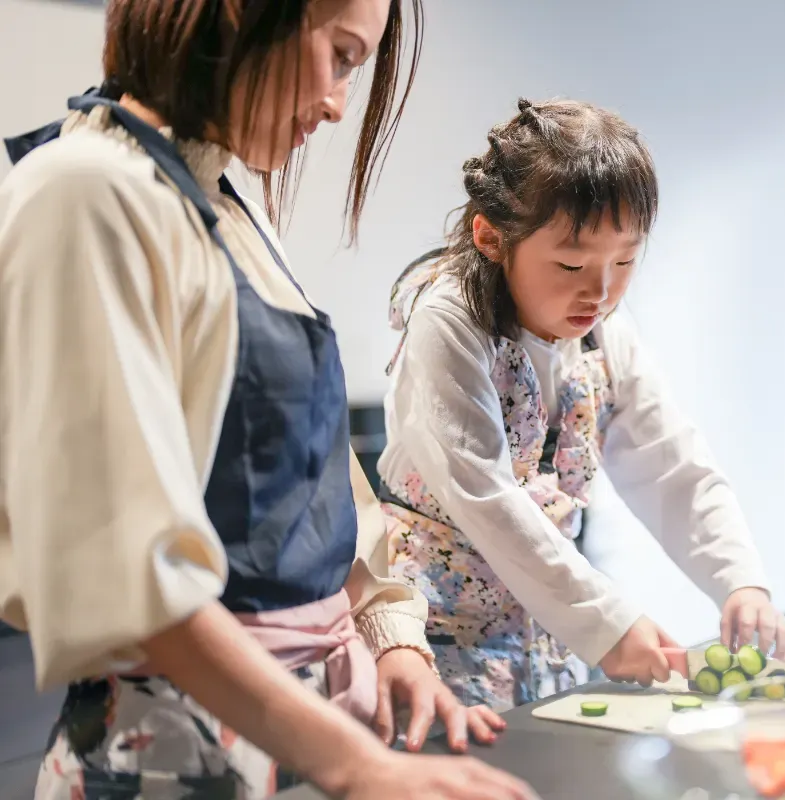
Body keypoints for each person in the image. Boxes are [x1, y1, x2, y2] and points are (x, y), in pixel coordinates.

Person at [0, 1, 534, 798]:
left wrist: (389, 631)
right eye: (343, 56)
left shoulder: (218, 195)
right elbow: (122, 565)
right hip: (171, 749)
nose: (335, 102)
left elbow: (306, 470)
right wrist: (355, 765)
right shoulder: (86, 193)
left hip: (282, 728)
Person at [377, 97, 785, 711]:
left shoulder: (602, 333)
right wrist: (609, 624)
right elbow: (485, 498)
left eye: (624, 260)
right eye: (571, 262)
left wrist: (740, 580)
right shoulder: (449, 321)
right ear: (492, 237)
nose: (599, 291)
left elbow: (670, 463)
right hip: (433, 642)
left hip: (543, 636)